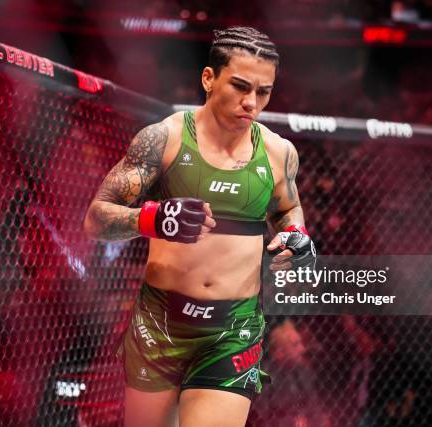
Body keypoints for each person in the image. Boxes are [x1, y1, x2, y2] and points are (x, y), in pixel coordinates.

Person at [84, 26, 316, 427]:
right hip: (161, 323)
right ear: (208, 78)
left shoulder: (279, 153)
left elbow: (289, 209)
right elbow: (95, 220)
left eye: (263, 92)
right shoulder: (165, 139)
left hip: (234, 330)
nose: (251, 103)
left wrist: (297, 237)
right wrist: (153, 218)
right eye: (240, 86)